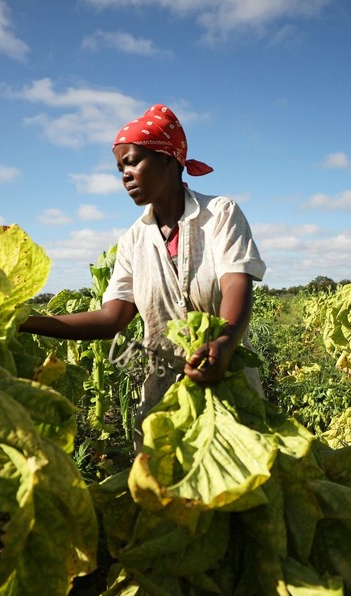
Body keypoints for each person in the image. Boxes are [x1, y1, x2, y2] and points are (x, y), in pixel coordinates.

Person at [20, 104, 266, 447]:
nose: (125, 174)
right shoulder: (134, 240)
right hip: (164, 401)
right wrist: (22, 321)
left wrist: (223, 343)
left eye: (133, 161)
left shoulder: (219, 214)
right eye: (120, 167)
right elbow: (111, 320)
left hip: (228, 388)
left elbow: (236, 281)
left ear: (169, 160)